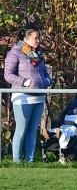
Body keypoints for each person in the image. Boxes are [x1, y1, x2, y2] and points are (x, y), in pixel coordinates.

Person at [3, 28, 52, 163]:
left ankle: (29, 162)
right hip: (23, 98)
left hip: (39, 97)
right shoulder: (15, 53)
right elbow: (8, 75)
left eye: (38, 38)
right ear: (26, 39)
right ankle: (16, 162)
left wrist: (47, 81)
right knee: (21, 130)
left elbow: (45, 73)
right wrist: (25, 82)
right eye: (35, 38)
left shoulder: (38, 53)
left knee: (32, 131)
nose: (38, 41)